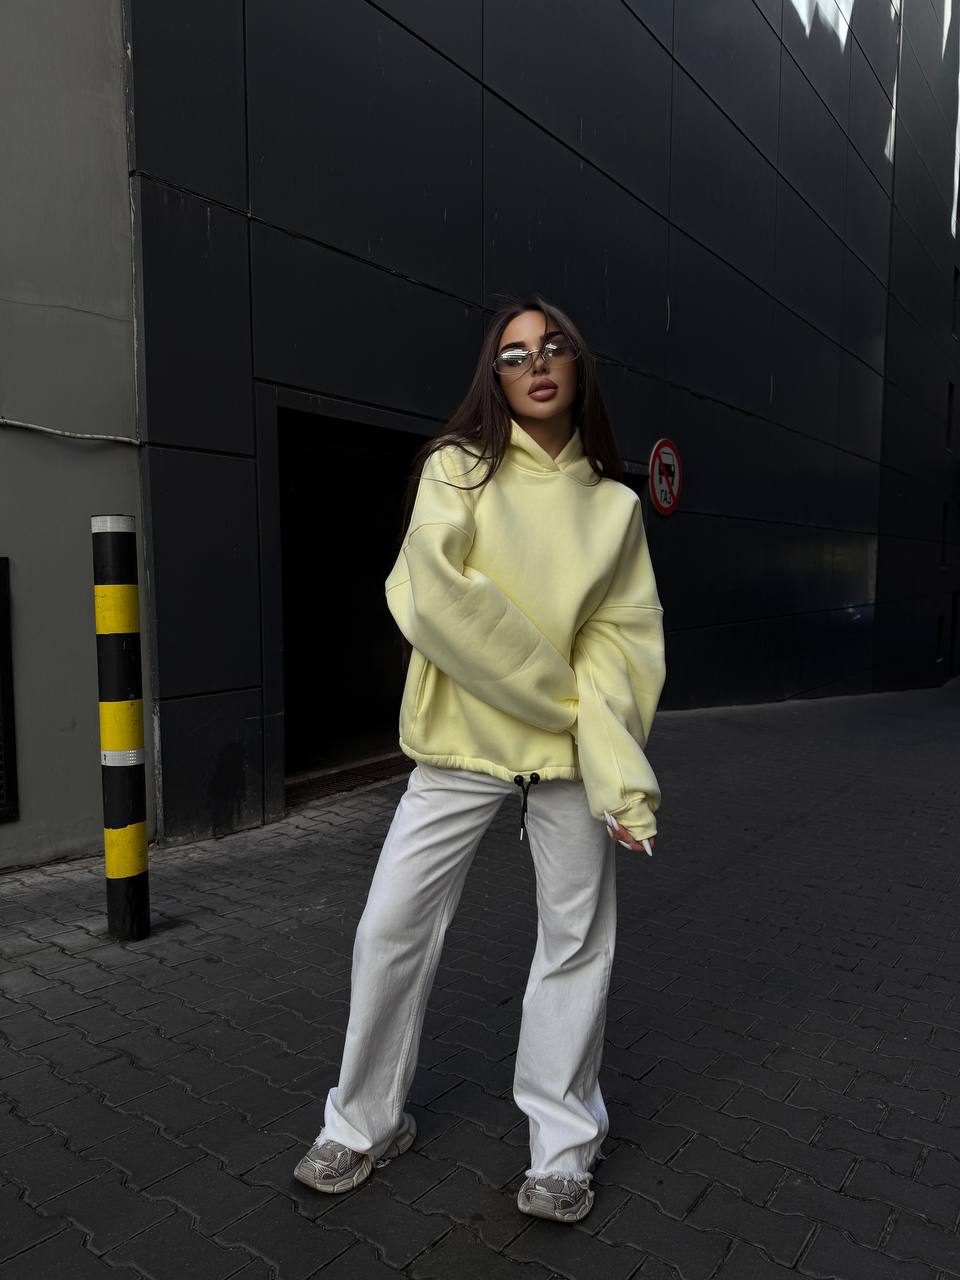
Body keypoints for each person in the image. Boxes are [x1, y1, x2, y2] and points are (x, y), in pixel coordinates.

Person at [293, 294, 666, 1224]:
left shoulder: (614, 507)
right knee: (390, 926)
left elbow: (623, 644)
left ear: (578, 366)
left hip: (569, 763)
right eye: (514, 353)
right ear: (493, 376)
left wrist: (614, 769)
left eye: (553, 347)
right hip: (462, 748)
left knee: (575, 945)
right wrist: (570, 709)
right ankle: (363, 1120)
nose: (536, 363)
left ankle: (563, 1148)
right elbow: (436, 599)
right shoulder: (456, 468)